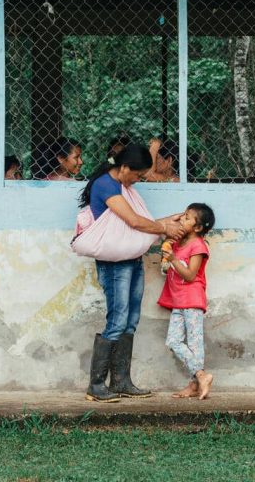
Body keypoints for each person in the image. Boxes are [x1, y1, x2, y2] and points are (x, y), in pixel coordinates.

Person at [79, 143, 186, 402]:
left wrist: (169, 221)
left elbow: (141, 223)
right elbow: (135, 222)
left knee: (131, 319)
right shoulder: (107, 185)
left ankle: (121, 381)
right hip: (115, 261)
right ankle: (96, 385)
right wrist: (164, 228)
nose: (138, 181)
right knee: (118, 319)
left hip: (132, 258)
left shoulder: (125, 187)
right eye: (137, 175)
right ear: (124, 167)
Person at [158, 203, 216, 401]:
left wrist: (173, 259)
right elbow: (165, 268)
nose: (182, 219)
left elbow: (191, 275)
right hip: (178, 301)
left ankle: (194, 385)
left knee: (195, 344)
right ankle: (201, 376)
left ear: (198, 227)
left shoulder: (198, 245)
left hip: (192, 300)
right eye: (183, 215)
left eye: (187, 217)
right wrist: (167, 245)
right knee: (173, 341)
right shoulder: (177, 244)